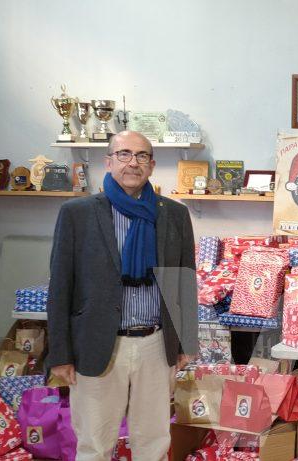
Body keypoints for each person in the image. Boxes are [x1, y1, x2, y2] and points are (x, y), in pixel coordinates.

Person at [46, 130, 198, 461]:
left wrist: (187, 342)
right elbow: (60, 286)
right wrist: (60, 353)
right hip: (97, 344)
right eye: (124, 154)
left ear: (152, 165)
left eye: (142, 155)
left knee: (154, 441)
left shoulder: (173, 214)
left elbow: (185, 282)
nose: (133, 162)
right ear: (109, 162)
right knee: (94, 443)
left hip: (155, 345)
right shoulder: (78, 213)